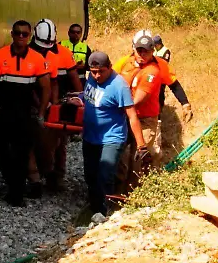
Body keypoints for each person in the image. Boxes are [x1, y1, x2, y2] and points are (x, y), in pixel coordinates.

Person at [69, 51, 147, 218]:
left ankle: (106, 213)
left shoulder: (119, 86)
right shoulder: (91, 78)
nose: (97, 76)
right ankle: (93, 209)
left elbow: (132, 115)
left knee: (105, 175)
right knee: (90, 175)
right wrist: (80, 98)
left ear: (110, 67)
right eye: (93, 72)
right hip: (90, 136)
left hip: (112, 138)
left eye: (101, 71)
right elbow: (91, 97)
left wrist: (141, 145)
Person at [0, 20, 52, 206]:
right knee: (0, 149)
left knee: (22, 153)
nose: (21, 37)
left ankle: (16, 194)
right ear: (12, 34)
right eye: (17, 33)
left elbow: (46, 88)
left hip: (24, 113)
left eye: (25, 34)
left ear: (29, 36)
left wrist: (41, 113)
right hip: (3, 110)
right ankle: (14, 186)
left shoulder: (37, 59)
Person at [26, 19, 83, 196]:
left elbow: (59, 82)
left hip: (54, 102)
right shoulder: (28, 54)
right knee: (36, 141)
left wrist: (77, 101)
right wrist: (42, 106)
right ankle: (39, 175)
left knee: (60, 142)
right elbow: (30, 87)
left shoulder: (59, 54)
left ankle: (56, 177)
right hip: (33, 102)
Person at [112, 33, 162, 196]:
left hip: (144, 120)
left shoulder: (152, 72)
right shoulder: (127, 63)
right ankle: (116, 192)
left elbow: (137, 101)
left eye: (146, 51)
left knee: (138, 158)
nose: (142, 54)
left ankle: (133, 195)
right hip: (125, 116)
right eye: (139, 50)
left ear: (152, 51)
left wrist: (111, 107)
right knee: (117, 153)